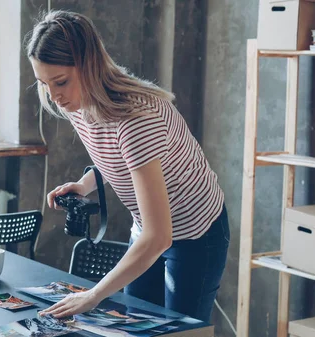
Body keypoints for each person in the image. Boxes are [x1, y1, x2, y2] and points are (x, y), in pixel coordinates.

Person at [27, 10, 230, 323]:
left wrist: (93, 294)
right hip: (148, 228)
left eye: (61, 82)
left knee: (180, 330)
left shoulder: (136, 119)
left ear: (88, 65)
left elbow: (159, 236)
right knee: (134, 323)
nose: (54, 96)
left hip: (195, 232)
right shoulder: (76, 103)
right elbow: (118, 158)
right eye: (43, 83)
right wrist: (86, 184)